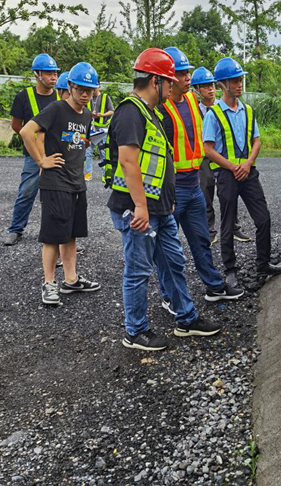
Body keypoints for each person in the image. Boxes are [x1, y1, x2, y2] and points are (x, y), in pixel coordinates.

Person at [104, 48, 221, 352]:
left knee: (173, 262)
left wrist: (166, 201)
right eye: (169, 81)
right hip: (137, 210)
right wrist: (141, 207)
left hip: (160, 207)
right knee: (138, 270)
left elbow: (156, 162)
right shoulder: (130, 112)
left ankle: (187, 318)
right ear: (155, 80)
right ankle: (135, 332)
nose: (173, 86)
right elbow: (128, 161)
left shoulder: (152, 112)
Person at [156, 48, 244, 315]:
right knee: (167, 248)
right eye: (181, 74)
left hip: (192, 184)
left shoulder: (194, 102)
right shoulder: (159, 108)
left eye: (187, 73)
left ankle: (214, 286)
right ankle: (168, 296)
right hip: (171, 188)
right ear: (168, 78)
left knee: (201, 240)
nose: (187, 78)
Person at [18, 62, 101, 306]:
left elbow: (77, 140)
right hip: (55, 182)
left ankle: (71, 280)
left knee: (71, 234)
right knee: (52, 236)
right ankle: (49, 283)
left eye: (89, 90)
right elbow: (26, 132)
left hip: (76, 182)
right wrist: (41, 160)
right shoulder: (56, 108)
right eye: (80, 89)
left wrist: (84, 142)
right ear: (71, 86)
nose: (85, 94)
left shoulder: (87, 115)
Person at [202, 57, 281, 289]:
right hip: (227, 176)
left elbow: (256, 141)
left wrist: (248, 164)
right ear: (222, 84)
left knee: (263, 218)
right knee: (228, 224)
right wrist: (233, 167)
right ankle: (230, 271)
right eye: (234, 80)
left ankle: (263, 264)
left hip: (248, 173)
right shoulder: (213, 115)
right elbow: (208, 149)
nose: (239, 84)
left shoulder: (248, 111)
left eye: (240, 79)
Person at [3, 53, 61, 246]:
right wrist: (33, 142)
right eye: (49, 73)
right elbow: (16, 125)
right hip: (33, 156)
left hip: (57, 154)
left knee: (58, 195)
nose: (53, 77)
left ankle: (59, 234)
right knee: (27, 192)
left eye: (55, 73)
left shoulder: (61, 96)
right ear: (37, 74)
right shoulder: (23, 97)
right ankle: (15, 229)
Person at [191, 66, 250, 246]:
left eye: (211, 85)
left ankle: (234, 228)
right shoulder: (193, 110)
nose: (210, 89)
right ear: (196, 90)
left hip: (224, 157)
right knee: (206, 192)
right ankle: (210, 231)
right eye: (205, 86)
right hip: (204, 158)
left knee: (230, 193)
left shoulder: (222, 106)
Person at [84, 87, 114, 181]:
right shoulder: (87, 97)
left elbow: (111, 111)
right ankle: (88, 173)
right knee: (88, 152)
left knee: (103, 153)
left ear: (99, 87)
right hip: (90, 130)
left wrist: (102, 115)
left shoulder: (105, 97)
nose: (93, 89)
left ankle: (105, 175)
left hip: (102, 131)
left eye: (95, 88)